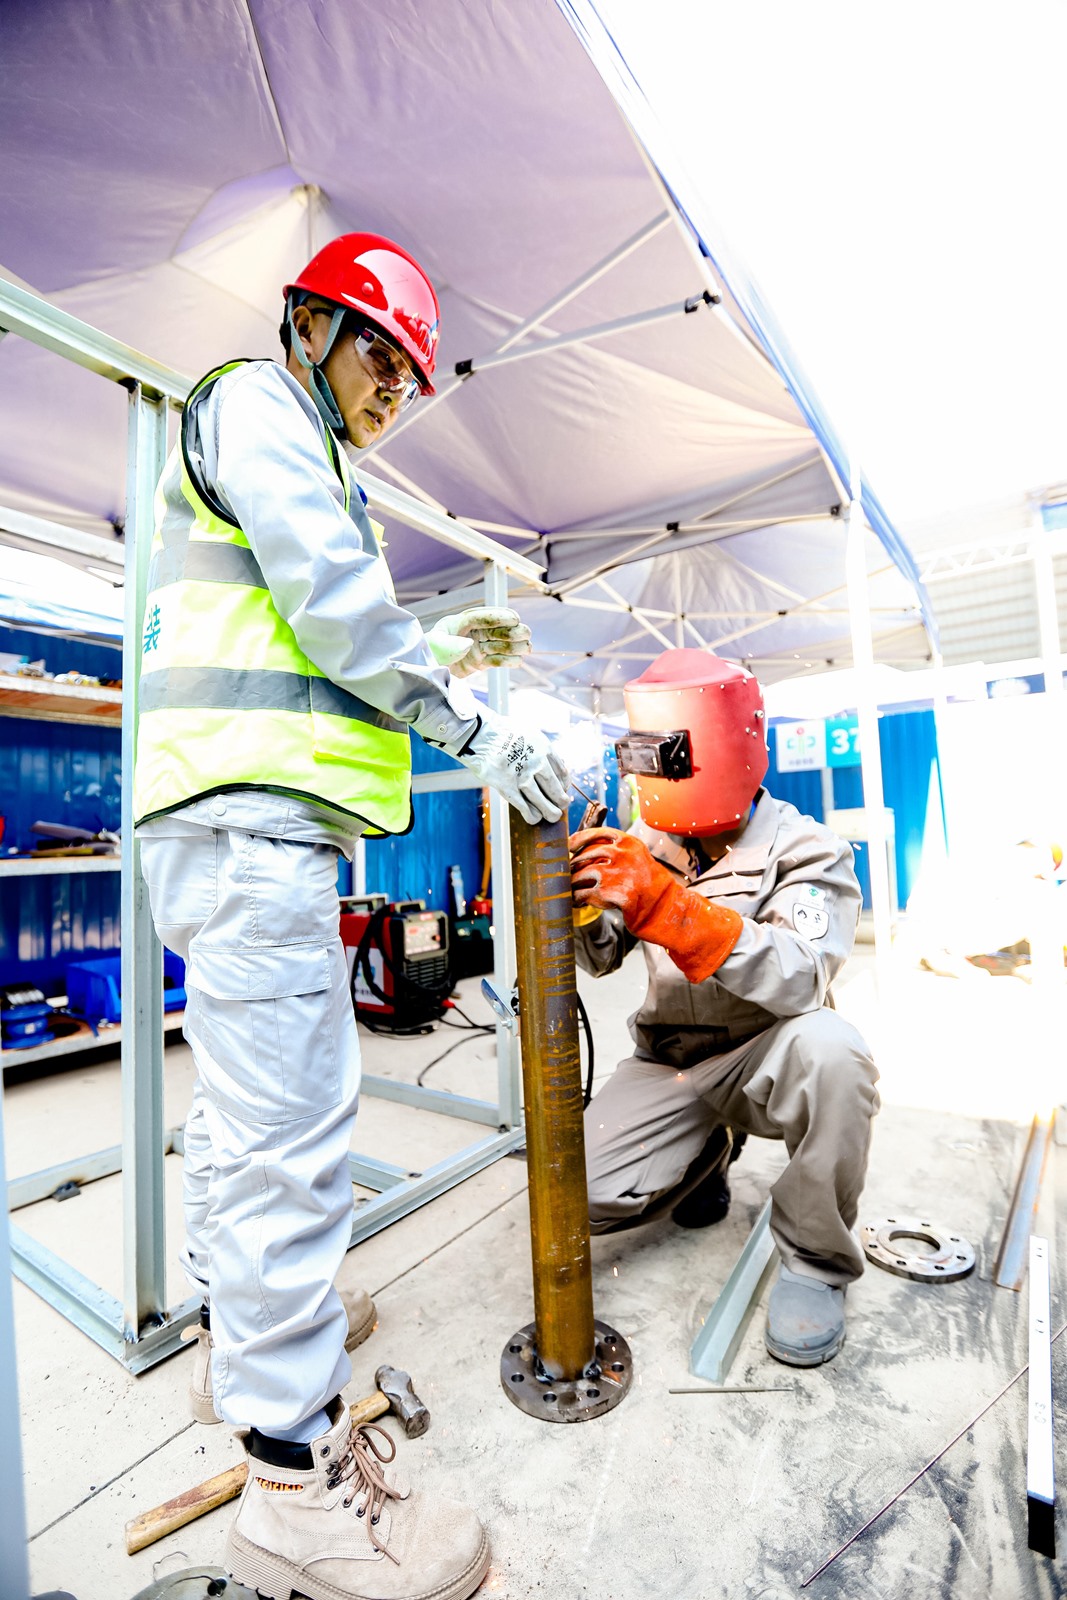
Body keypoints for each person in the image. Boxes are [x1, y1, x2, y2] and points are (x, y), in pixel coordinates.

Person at [134, 231, 567, 1600]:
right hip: (248, 827)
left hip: (234, 821)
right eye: (380, 358)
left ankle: (242, 1348)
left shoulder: (301, 454)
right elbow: (335, 610)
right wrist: (473, 726)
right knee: (290, 1143)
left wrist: (441, 671)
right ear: (308, 327)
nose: (392, 396)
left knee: (243, 1124)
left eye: (408, 383)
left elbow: (319, 622)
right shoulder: (258, 406)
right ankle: (291, 1482)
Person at [569, 649, 878, 1367]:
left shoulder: (806, 847)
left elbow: (802, 978)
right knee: (576, 1202)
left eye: (667, 757)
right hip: (669, 1059)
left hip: (765, 1053)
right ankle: (707, 1156)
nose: (654, 775)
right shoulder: (642, 838)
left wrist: (669, 907)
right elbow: (602, 957)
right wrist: (580, 909)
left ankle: (814, 1261)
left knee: (834, 1050)